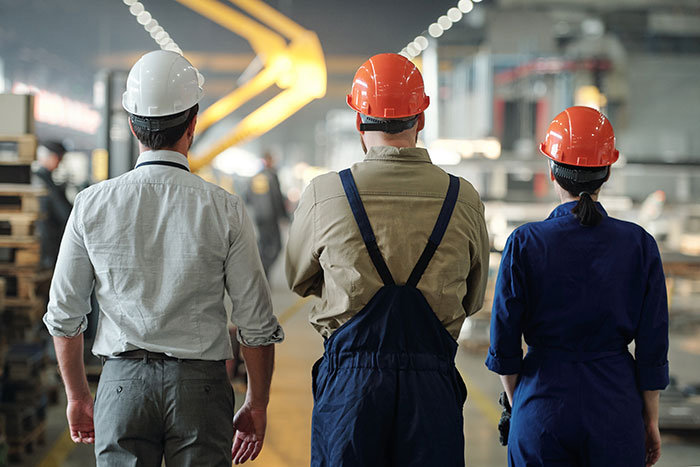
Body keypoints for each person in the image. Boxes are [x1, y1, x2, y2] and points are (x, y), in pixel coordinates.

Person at [43, 50, 284, 466]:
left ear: (134, 127)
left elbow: (64, 315)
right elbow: (256, 325)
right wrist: (257, 403)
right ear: (192, 125)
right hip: (201, 391)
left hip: (121, 388)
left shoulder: (90, 205)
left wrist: (79, 395)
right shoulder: (224, 208)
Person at [286, 53, 490, 466]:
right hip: (432, 389)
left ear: (360, 122)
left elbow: (298, 278)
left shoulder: (325, 194)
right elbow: (473, 299)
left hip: (350, 392)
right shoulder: (463, 198)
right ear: (421, 120)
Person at [486, 106, 669, 467]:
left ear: (552, 171)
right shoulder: (639, 245)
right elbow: (652, 347)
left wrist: (521, 403)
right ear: (608, 171)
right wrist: (649, 420)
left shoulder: (525, 243)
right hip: (616, 406)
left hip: (542, 403)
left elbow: (504, 345)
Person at [245, 151, 288, 277]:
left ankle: (262, 271)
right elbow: (277, 197)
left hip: (259, 219)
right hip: (271, 218)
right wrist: (284, 216)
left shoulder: (254, 178)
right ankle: (265, 268)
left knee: (262, 247)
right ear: (269, 160)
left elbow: (247, 198)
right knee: (277, 247)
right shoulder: (272, 176)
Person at [33, 141, 72, 268]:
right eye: (59, 159)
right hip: (48, 239)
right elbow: (64, 213)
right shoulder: (42, 180)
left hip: (48, 238)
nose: (59, 163)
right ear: (54, 157)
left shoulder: (42, 178)